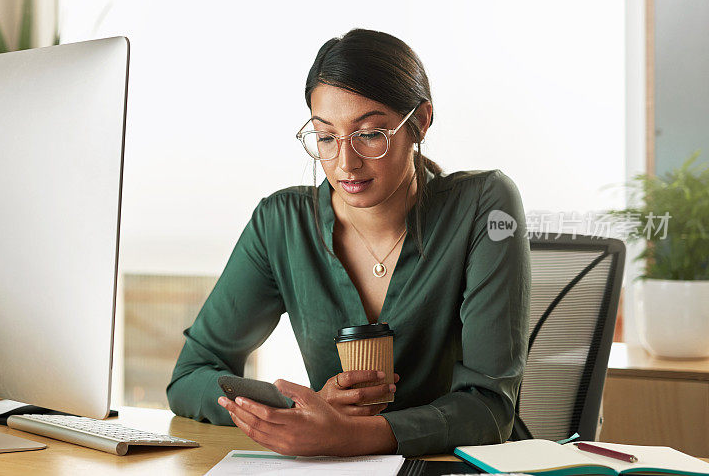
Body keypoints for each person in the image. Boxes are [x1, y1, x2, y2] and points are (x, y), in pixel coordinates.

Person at [167, 28, 530, 457]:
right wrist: (304, 410)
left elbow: (489, 409)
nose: (345, 163)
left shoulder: (484, 206)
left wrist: (346, 435)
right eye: (326, 137)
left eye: (370, 134)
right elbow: (191, 375)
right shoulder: (281, 223)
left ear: (421, 121)